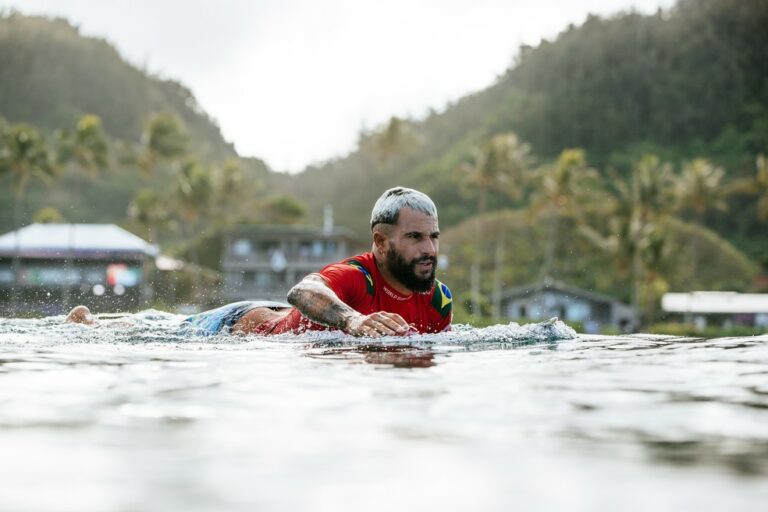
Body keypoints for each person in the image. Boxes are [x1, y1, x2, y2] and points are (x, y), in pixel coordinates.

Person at [67, 187, 453, 338]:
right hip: (238, 324)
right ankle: (92, 322)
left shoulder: (438, 304)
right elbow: (302, 290)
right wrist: (353, 319)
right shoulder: (357, 278)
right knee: (156, 330)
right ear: (381, 243)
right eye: (415, 237)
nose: (429, 250)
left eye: (433, 237)